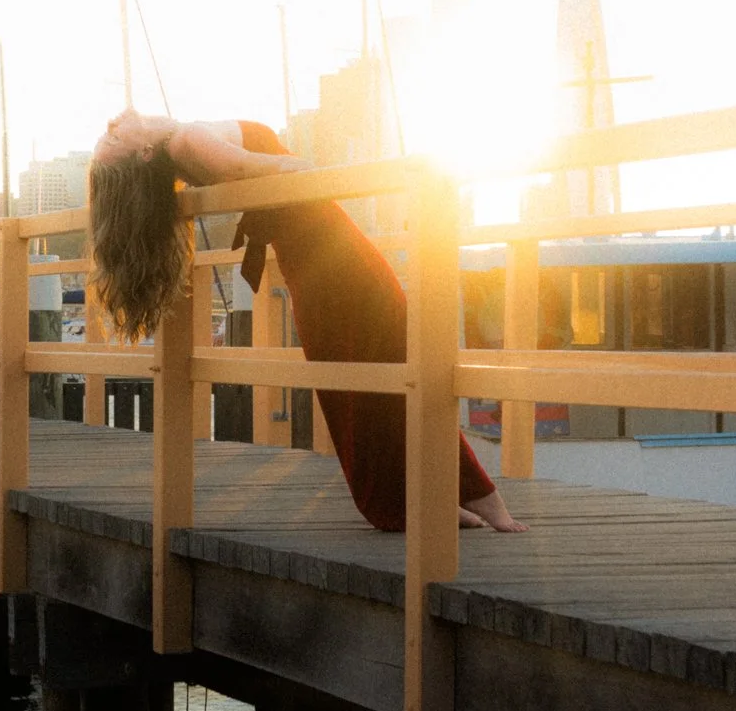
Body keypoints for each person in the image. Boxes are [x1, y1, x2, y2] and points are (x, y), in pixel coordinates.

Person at [90, 111, 525, 533]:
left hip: (316, 267)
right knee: (394, 377)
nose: (110, 125)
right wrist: (338, 175)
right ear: (145, 152)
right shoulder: (186, 141)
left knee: (368, 389)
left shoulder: (182, 155)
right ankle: (476, 495)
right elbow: (276, 168)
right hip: (338, 262)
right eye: (111, 140)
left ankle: (422, 502)